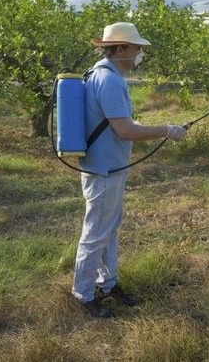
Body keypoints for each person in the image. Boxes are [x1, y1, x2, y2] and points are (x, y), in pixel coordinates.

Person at [71, 22, 187, 318]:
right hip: (105, 170)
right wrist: (166, 130)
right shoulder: (109, 81)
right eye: (137, 48)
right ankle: (83, 295)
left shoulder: (98, 74)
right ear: (120, 48)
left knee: (108, 230)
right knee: (96, 232)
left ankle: (107, 284)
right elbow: (124, 130)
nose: (139, 54)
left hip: (106, 166)